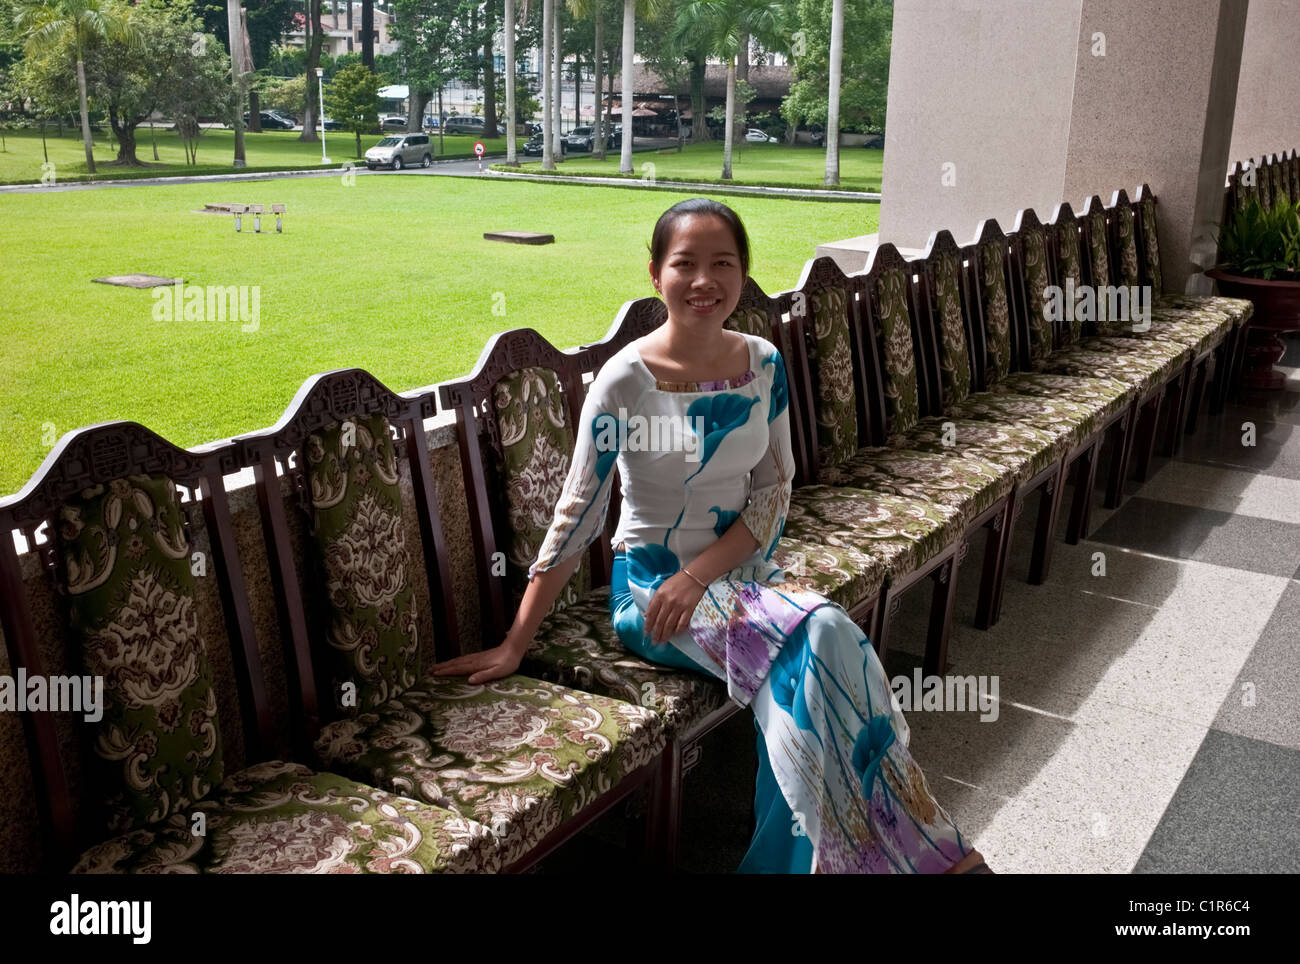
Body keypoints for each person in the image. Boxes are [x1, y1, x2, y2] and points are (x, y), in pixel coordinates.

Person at [432, 198, 990, 874]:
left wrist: (705, 574)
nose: (704, 280)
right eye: (684, 264)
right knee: (826, 635)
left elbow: (774, 491)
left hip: (741, 585)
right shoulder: (625, 382)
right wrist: (516, 642)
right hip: (654, 595)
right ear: (655, 275)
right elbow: (577, 514)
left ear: (744, 273)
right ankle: (929, 854)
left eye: (722, 263)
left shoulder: (763, 365)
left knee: (810, 671)